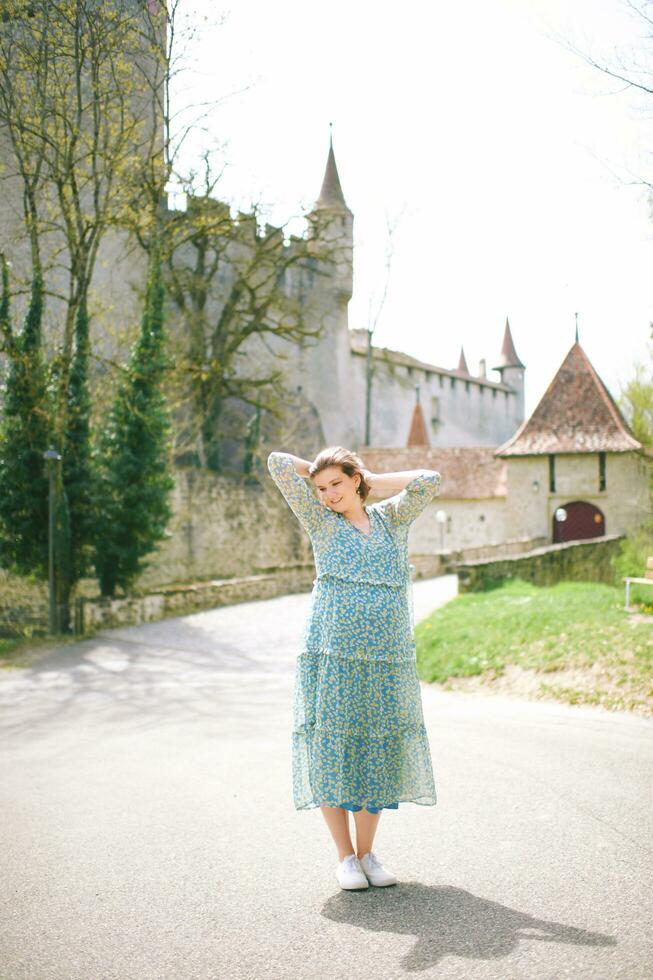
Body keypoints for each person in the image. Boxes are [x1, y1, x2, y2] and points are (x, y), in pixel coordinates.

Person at [267, 445, 442, 891]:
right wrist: (318, 471)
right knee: (333, 749)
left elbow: (429, 480)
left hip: (386, 659)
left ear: (356, 480)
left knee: (375, 752)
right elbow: (278, 464)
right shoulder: (321, 523)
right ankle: (344, 857)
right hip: (332, 657)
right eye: (321, 488)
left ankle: (367, 854)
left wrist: (370, 479)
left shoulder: (392, 521)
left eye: (336, 485)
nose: (327, 494)